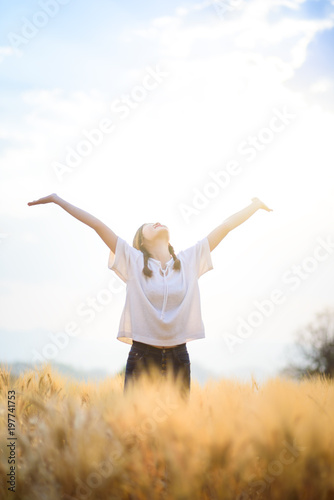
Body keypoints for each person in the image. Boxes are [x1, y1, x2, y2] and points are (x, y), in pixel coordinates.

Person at [27, 194, 273, 399]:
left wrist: (254, 206)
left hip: (179, 358)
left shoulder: (188, 261)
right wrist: (59, 201)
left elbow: (225, 227)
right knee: (135, 434)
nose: (156, 222)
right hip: (143, 357)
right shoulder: (133, 261)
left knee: (175, 436)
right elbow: (97, 225)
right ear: (141, 241)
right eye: (149, 224)